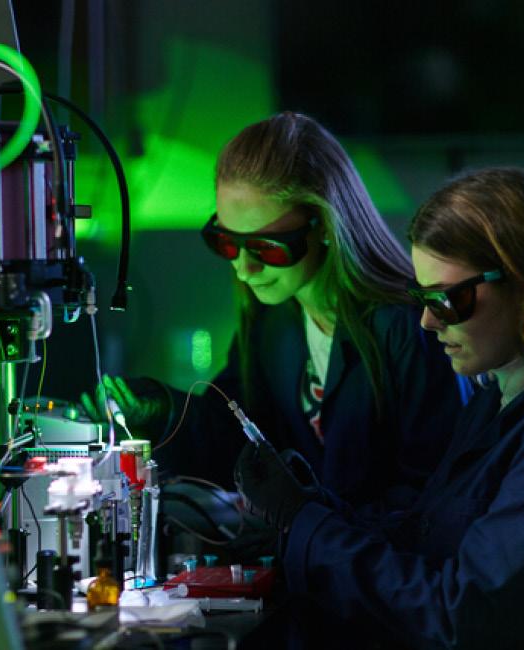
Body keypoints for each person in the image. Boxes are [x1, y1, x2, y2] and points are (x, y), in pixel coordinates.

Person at [235, 167, 524, 647]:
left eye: (449, 301)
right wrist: (311, 510)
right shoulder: (500, 397)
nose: (428, 323)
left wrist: (311, 531)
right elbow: (429, 537)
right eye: (422, 299)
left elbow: (464, 614)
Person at [86, 112, 469, 513]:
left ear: (324, 224)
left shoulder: (409, 327)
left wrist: (316, 533)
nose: (244, 269)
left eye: (267, 247)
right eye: (226, 243)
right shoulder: (273, 322)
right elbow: (237, 435)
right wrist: (162, 413)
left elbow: (431, 493)